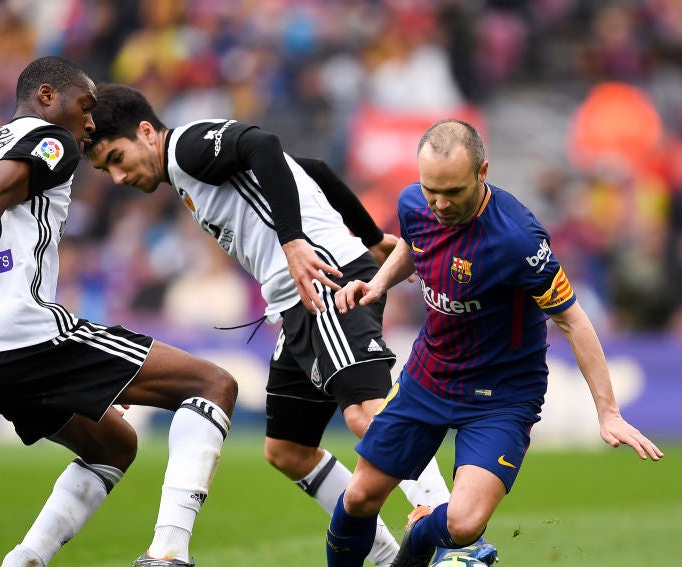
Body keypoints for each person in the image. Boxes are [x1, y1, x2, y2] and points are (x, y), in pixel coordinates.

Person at [0, 56, 237, 567]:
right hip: (21, 333)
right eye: (84, 107)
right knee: (212, 385)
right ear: (46, 96)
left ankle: (25, 559)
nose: (90, 122)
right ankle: (169, 554)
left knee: (113, 445)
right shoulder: (52, 140)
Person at [84, 83, 454, 566]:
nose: (117, 176)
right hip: (297, 303)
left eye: (116, 158)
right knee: (288, 450)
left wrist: (294, 241)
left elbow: (263, 144)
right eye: (105, 170)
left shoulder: (187, 148)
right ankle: (387, 556)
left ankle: (449, 530)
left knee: (364, 410)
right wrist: (369, 235)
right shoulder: (184, 172)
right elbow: (311, 169)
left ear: (146, 132)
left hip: (325, 283)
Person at [324, 119, 665, 567]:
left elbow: (572, 320)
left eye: (454, 192)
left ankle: (422, 531)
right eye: (431, 190)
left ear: (482, 172)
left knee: (463, 523)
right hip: (430, 376)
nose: (440, 204)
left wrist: (608, 412)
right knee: (360, 497)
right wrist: (378, 284)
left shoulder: (518, 239)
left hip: (501, 395)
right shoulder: (413, 203)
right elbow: (412, 245)